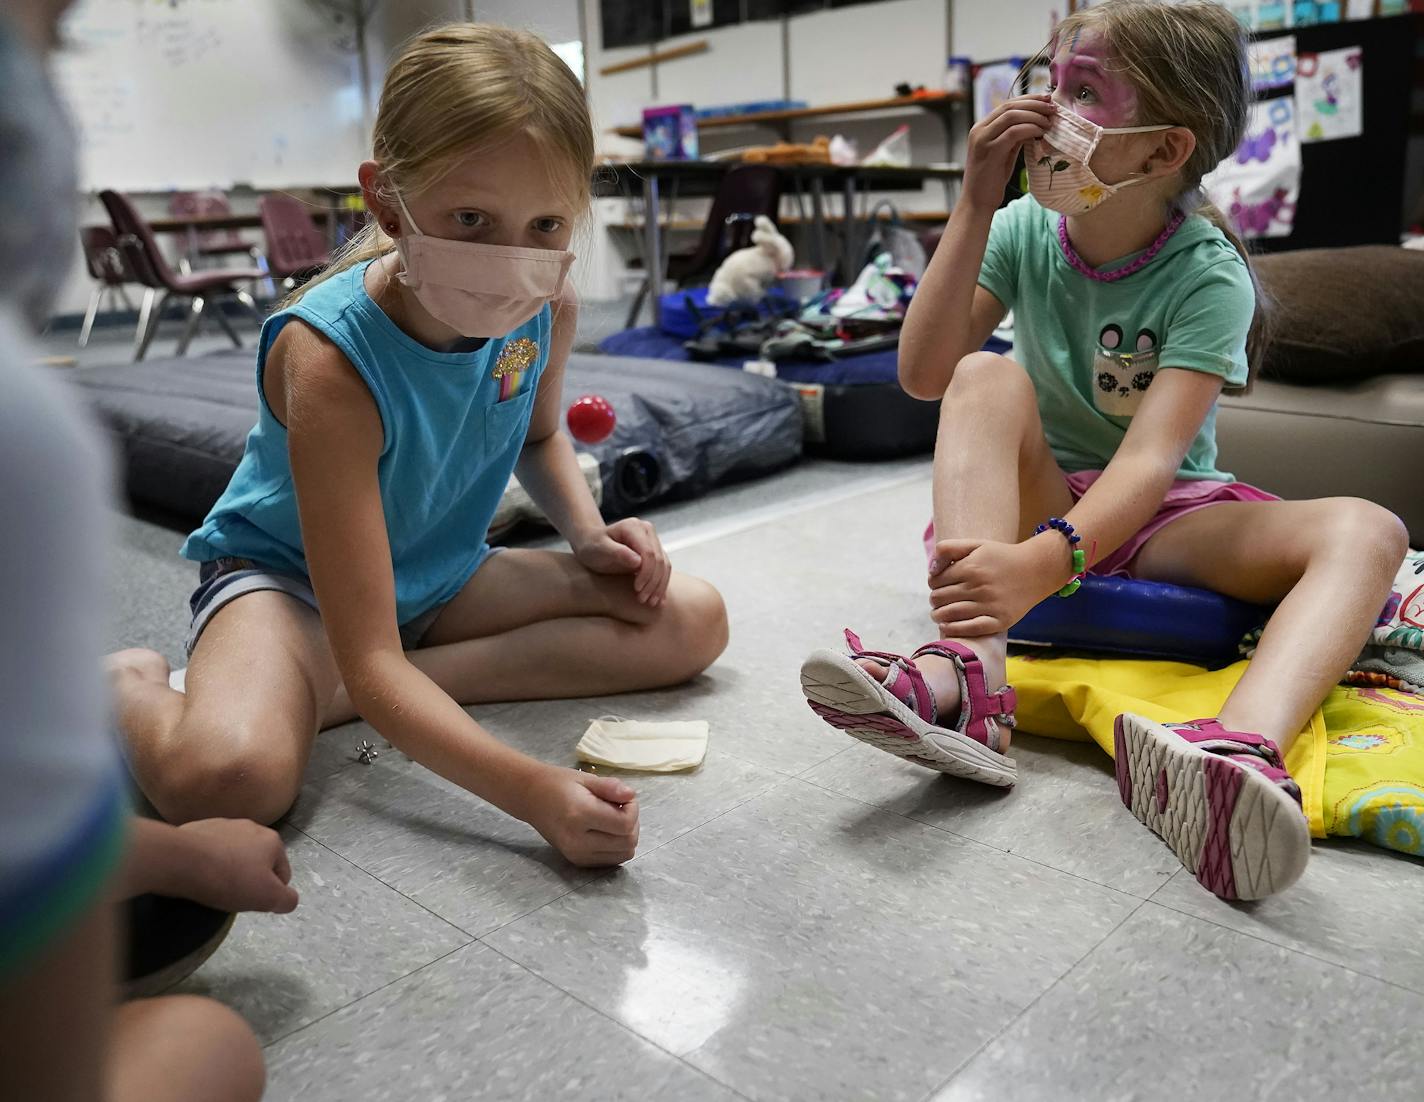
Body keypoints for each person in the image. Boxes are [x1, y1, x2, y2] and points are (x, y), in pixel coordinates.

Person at [799, 0, 1407, 901]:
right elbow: (924, 374)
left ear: (1167, 151)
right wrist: (974, 203)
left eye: (1084, 91)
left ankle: (1234, 752)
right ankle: (974, 679)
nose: (1047, 110)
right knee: (982, 378)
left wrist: (1048, 560)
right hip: (1042, 494)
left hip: (1164, 518)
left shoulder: (1209, 274)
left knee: (1369, 530)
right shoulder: (1018, 233)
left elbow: (1153, 465)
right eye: (1049, 82)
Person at [108, 24, 729, 869]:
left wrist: (588, 533)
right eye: (470, 218)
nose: (513, 258)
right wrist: (531, 791)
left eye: (547, 223)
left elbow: (541, 435)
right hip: (291, 591)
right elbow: (366, 647)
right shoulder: (330, 359)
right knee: (231, 781)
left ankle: (353, 694)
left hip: (439, 577)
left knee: (689, 619)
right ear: (387, 201)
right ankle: (127, 688)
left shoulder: (544, 309)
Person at [0, 3, 288, 1099]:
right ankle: (119, 692)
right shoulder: (25, 446)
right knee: (216, 1045)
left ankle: (112, 690)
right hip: (276, 593)